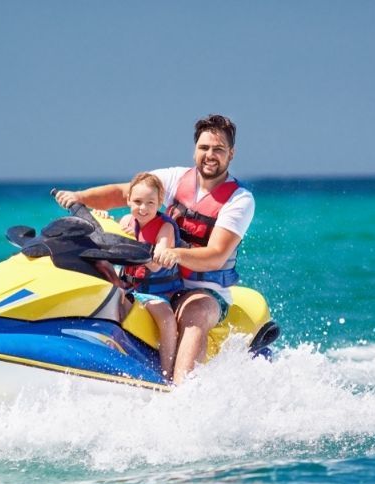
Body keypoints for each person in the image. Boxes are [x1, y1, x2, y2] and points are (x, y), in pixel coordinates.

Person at [55, 114, 254, 384]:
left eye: (218, 149)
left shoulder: (239, 200)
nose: (210, 155)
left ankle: (181, 390)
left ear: (231, 153)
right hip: (154, 281)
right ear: (195, 149)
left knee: (194, 313)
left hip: (202, 290)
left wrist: (175, 253)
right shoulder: (173, 179)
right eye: (204, 148)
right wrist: (80, 198)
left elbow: (217, 255)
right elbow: (123, 193)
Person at [117, 172, 184, 381]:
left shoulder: (165, 228)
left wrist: (135, 246)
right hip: (130, 288)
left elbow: (155, 266)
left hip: (159, 294)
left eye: (150, 203)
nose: (143, 208)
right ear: (128, 199)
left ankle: (167, 373)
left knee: (166, 319)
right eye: (137, 201)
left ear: (160, 203)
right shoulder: (127, 220)